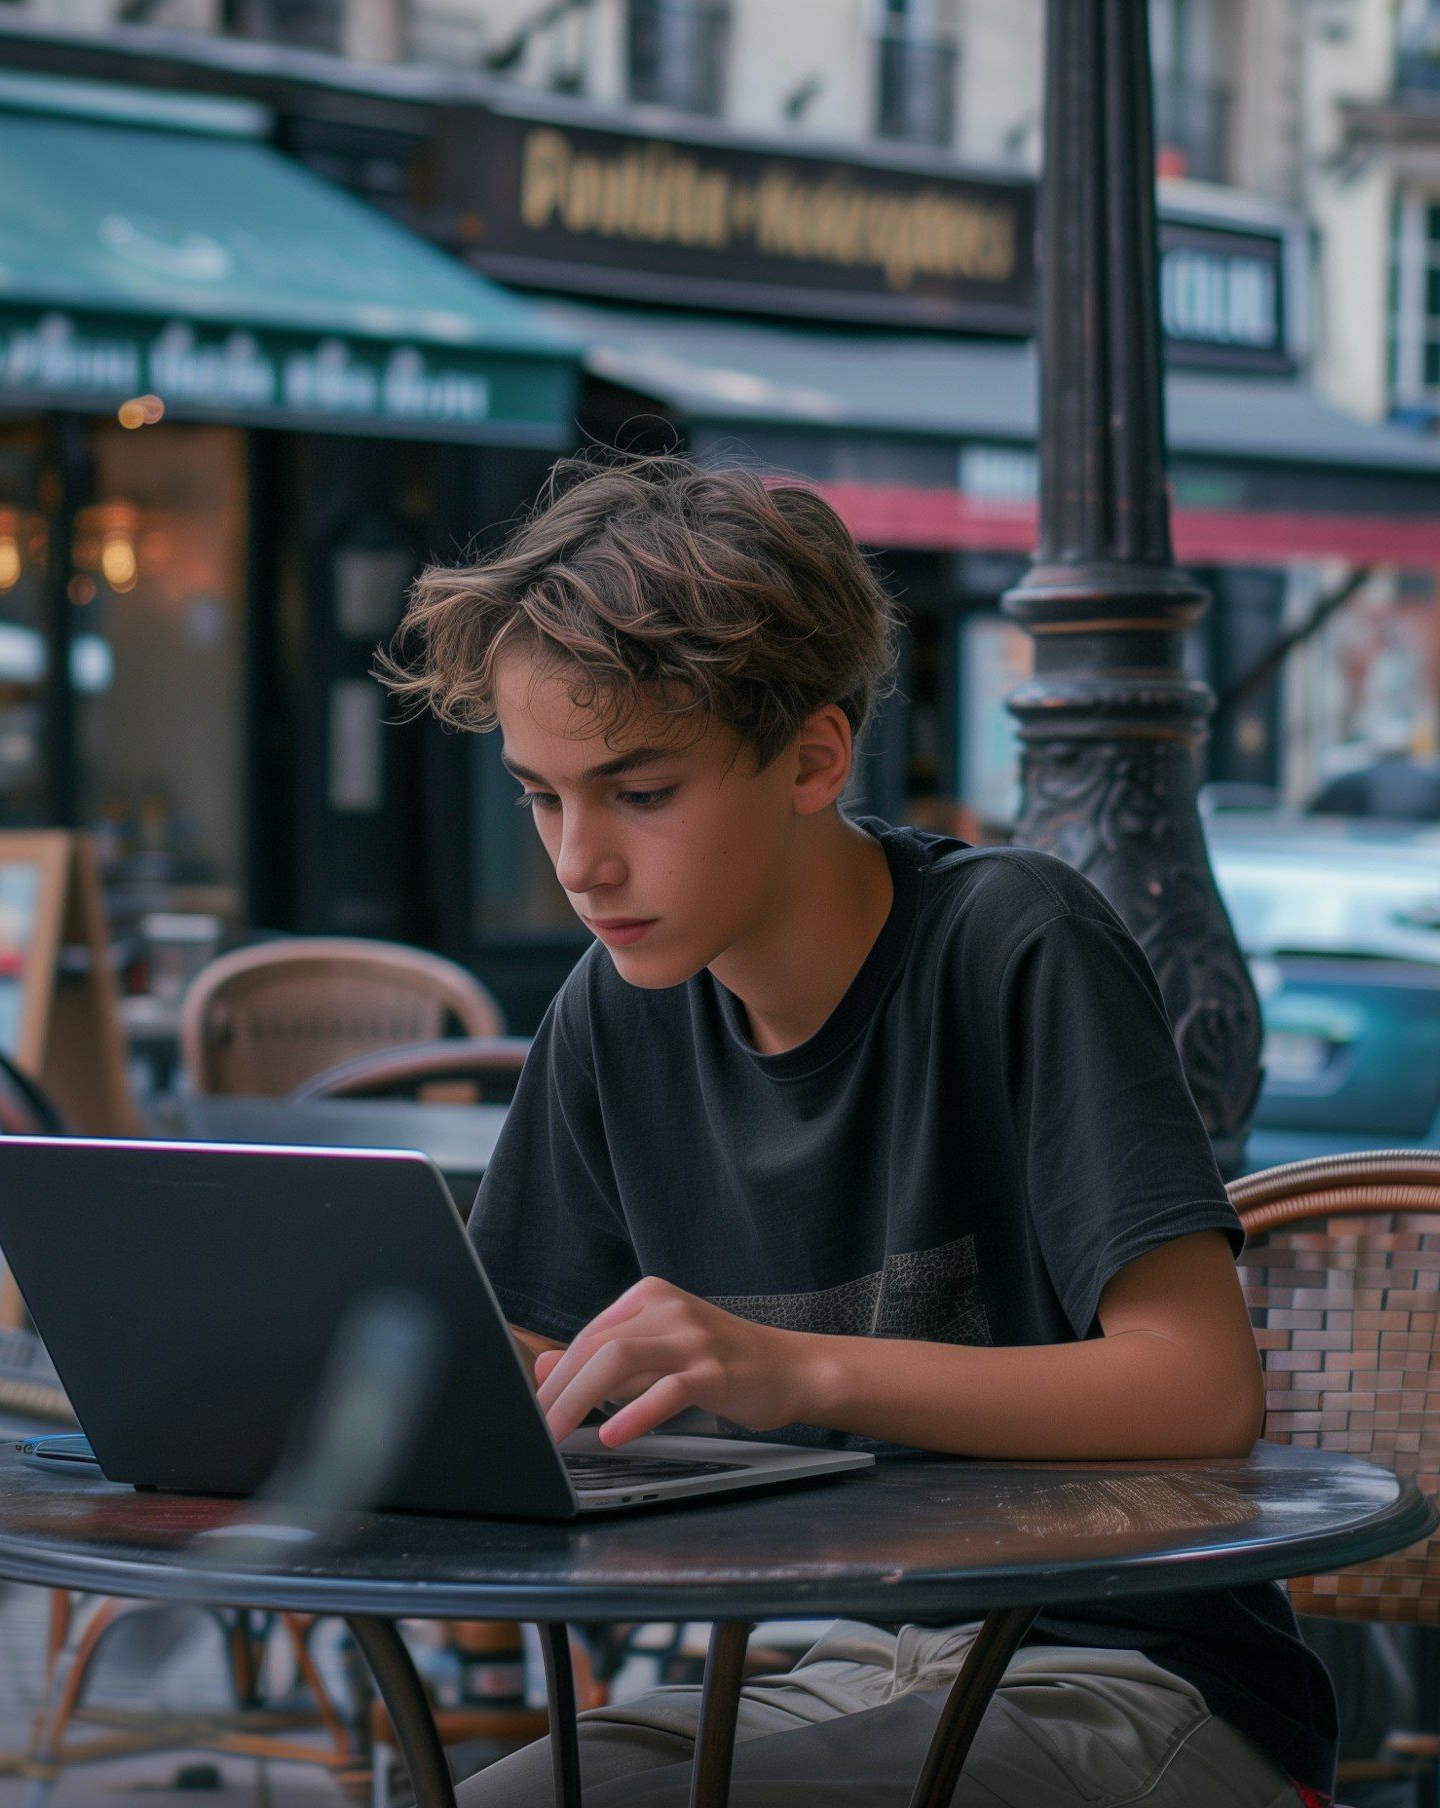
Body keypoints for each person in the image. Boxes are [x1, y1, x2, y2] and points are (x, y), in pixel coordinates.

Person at [379, 453, 1331, 1808]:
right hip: (853, 1662)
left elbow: (1199, 1388)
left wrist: (793, 1369)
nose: (580, 859)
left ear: (814, 755)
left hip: (1134, 1678)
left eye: (640, 793)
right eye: (543, 794)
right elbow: (536, 1360)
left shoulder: (1016, 945)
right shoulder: (616, 1010)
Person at [1305, 720, 1440, 824]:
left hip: (1369, 864)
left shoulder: (1359, 778)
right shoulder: (1439, 774)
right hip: (1422, 862)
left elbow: (1310, 816)